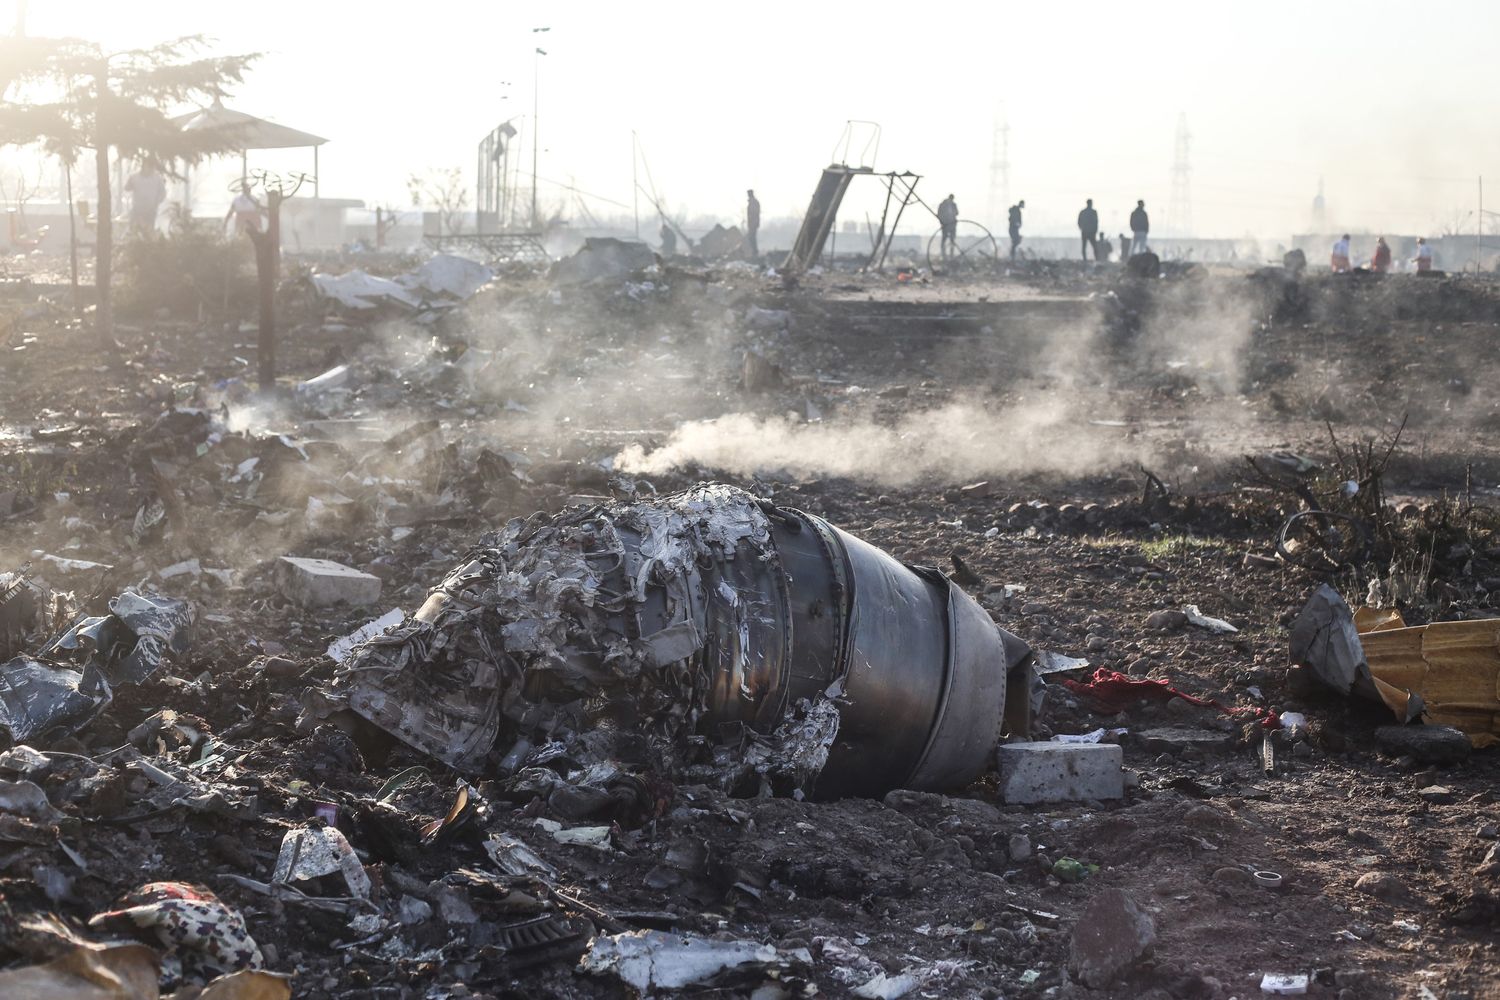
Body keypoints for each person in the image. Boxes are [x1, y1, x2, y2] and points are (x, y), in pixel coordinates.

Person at [124, 160, 166, 235]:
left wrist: (156, 203)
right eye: (149, 166)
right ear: (144, 166)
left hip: (150, 210)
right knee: (134, 231)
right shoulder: (134, 177)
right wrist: (129, 184)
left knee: (148, 233)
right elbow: (127, 188)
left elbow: (162, 193)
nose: (151, 169)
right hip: (137, 210)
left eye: (152, 167)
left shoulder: (157, 178)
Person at [745, 189, 761, 257]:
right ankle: (754, 252)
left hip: (753, 224)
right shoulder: (753, 202)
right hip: (752, 223)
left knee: (752, 238)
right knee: (751, 238)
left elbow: (754, 214)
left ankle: (755, 252)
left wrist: (753, 223)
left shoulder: (753, 203)